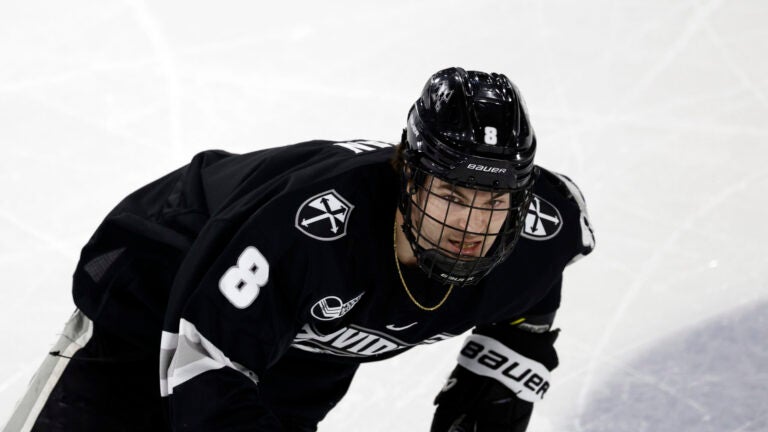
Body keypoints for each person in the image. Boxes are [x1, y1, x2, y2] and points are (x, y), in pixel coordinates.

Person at [3, 67, 595, 432]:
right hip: (162, 282)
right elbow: (205, 366)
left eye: (494, 201)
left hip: (303, 348)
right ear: (408, 177)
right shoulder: (312, 230)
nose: (470, 222)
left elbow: (522, 332)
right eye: (450, 194)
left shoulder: (540, 238)